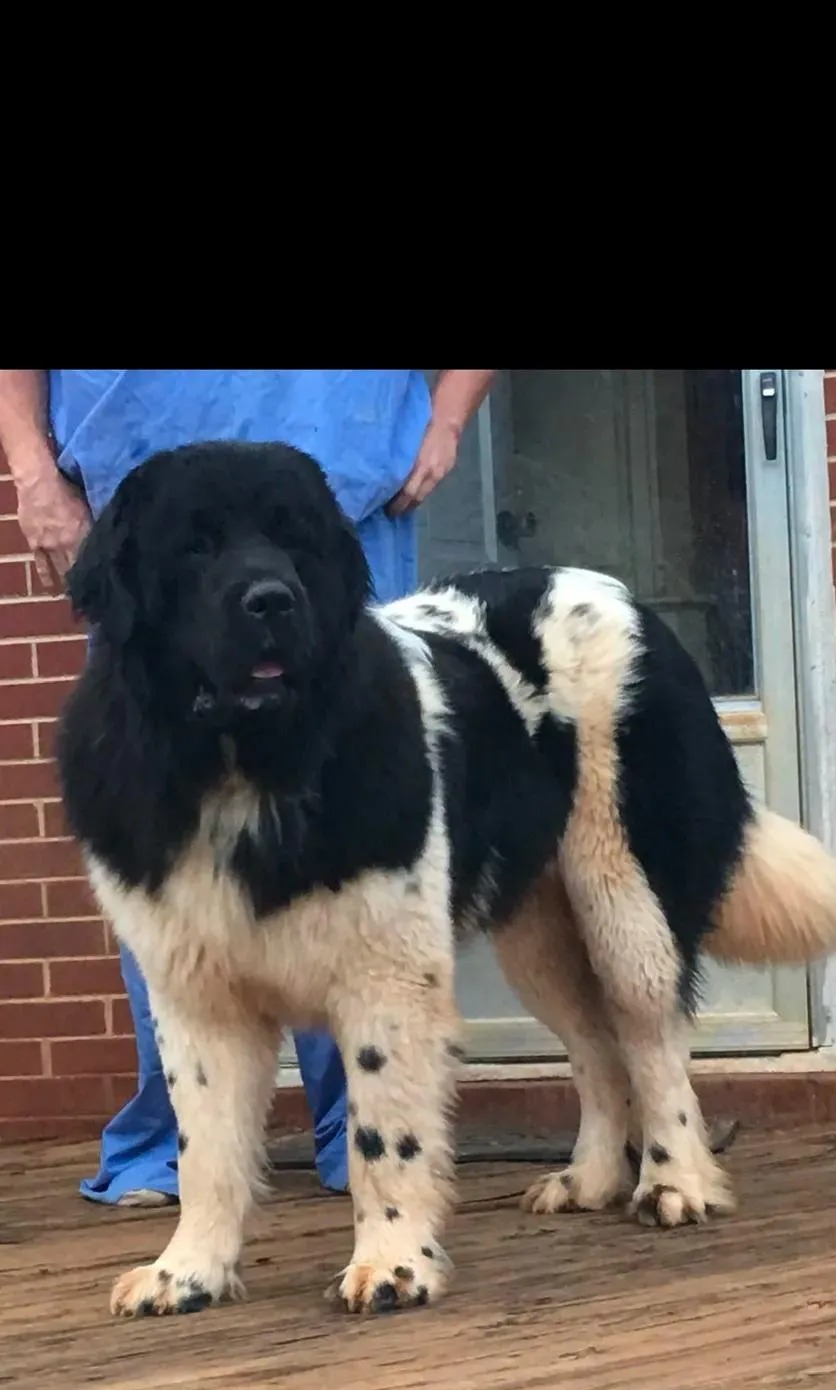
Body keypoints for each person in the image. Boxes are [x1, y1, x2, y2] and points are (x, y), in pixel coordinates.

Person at [0, 368, 498, 1204]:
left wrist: (448, 419)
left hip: (333, 504)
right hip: (153, 536)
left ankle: (365, 1135)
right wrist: (32, 468)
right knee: (164, 856)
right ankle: (177, 1149)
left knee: (361, 865)